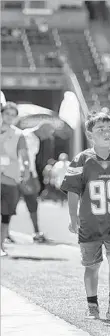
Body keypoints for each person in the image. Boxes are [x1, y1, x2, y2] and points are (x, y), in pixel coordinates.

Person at [60, 112, 110, 321]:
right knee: (92, 266)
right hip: (90, 223)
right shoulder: (82, 160)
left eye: (109, 129)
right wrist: (73, 217)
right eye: (100, 130)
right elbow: (73, 191)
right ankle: (92, 304)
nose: (106, 133)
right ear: (90, 134)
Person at [0, 102, 31, 256]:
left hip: (10, 178)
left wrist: (26, 169)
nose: (9, 117)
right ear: (1, 114)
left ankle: (0, 246)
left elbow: (24, 156)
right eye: (7, 114)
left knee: (6, 214)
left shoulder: (19, 135)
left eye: (13, 115)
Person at [17, 122, 55, 243]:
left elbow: (31, 160)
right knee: (9, 203)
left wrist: (34, 176)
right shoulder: (25, 136)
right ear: (42, 129)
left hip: (30, 174)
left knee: (33, 203)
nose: (47, 137)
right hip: (19, 173)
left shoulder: (36, 140)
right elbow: (20, 157)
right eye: (48, 133)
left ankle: (36, 232)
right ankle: (4, 233)